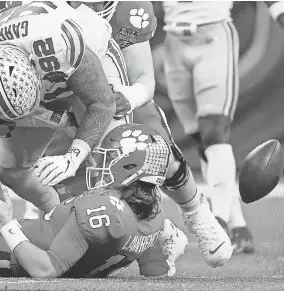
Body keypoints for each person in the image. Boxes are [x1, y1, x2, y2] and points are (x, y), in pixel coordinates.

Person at [49, 0, 233, 270]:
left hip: (119, 98)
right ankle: (160, 234)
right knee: (82, 221)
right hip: (64, 106)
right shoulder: (47, 9)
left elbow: (144, 79)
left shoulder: (129, 9)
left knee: (154, 147)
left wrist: (128, 97)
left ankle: (196, 211)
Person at [0, 124, 185, 278]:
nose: (101, 163)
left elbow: (44, 270)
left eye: (110, 157)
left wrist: (6, 223)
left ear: (131, 166)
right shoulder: (152, 212)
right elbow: (155, 271)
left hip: (5, 251)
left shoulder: (104, 210)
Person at [0, 1, 117, 214]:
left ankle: (141, 226)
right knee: (13, 173)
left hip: (90, 49)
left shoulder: (63, 43)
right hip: (38, 73)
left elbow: (103, 104)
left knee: (111, 153)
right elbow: (4, 120)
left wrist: (73, 158)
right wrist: (60, 120)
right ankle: (57, 216)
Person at [161, 1, 255, 254]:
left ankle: (220, 223)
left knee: (214, 131)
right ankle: (239, 226)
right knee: (200, 139)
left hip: (213, 37)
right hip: (174, 41)